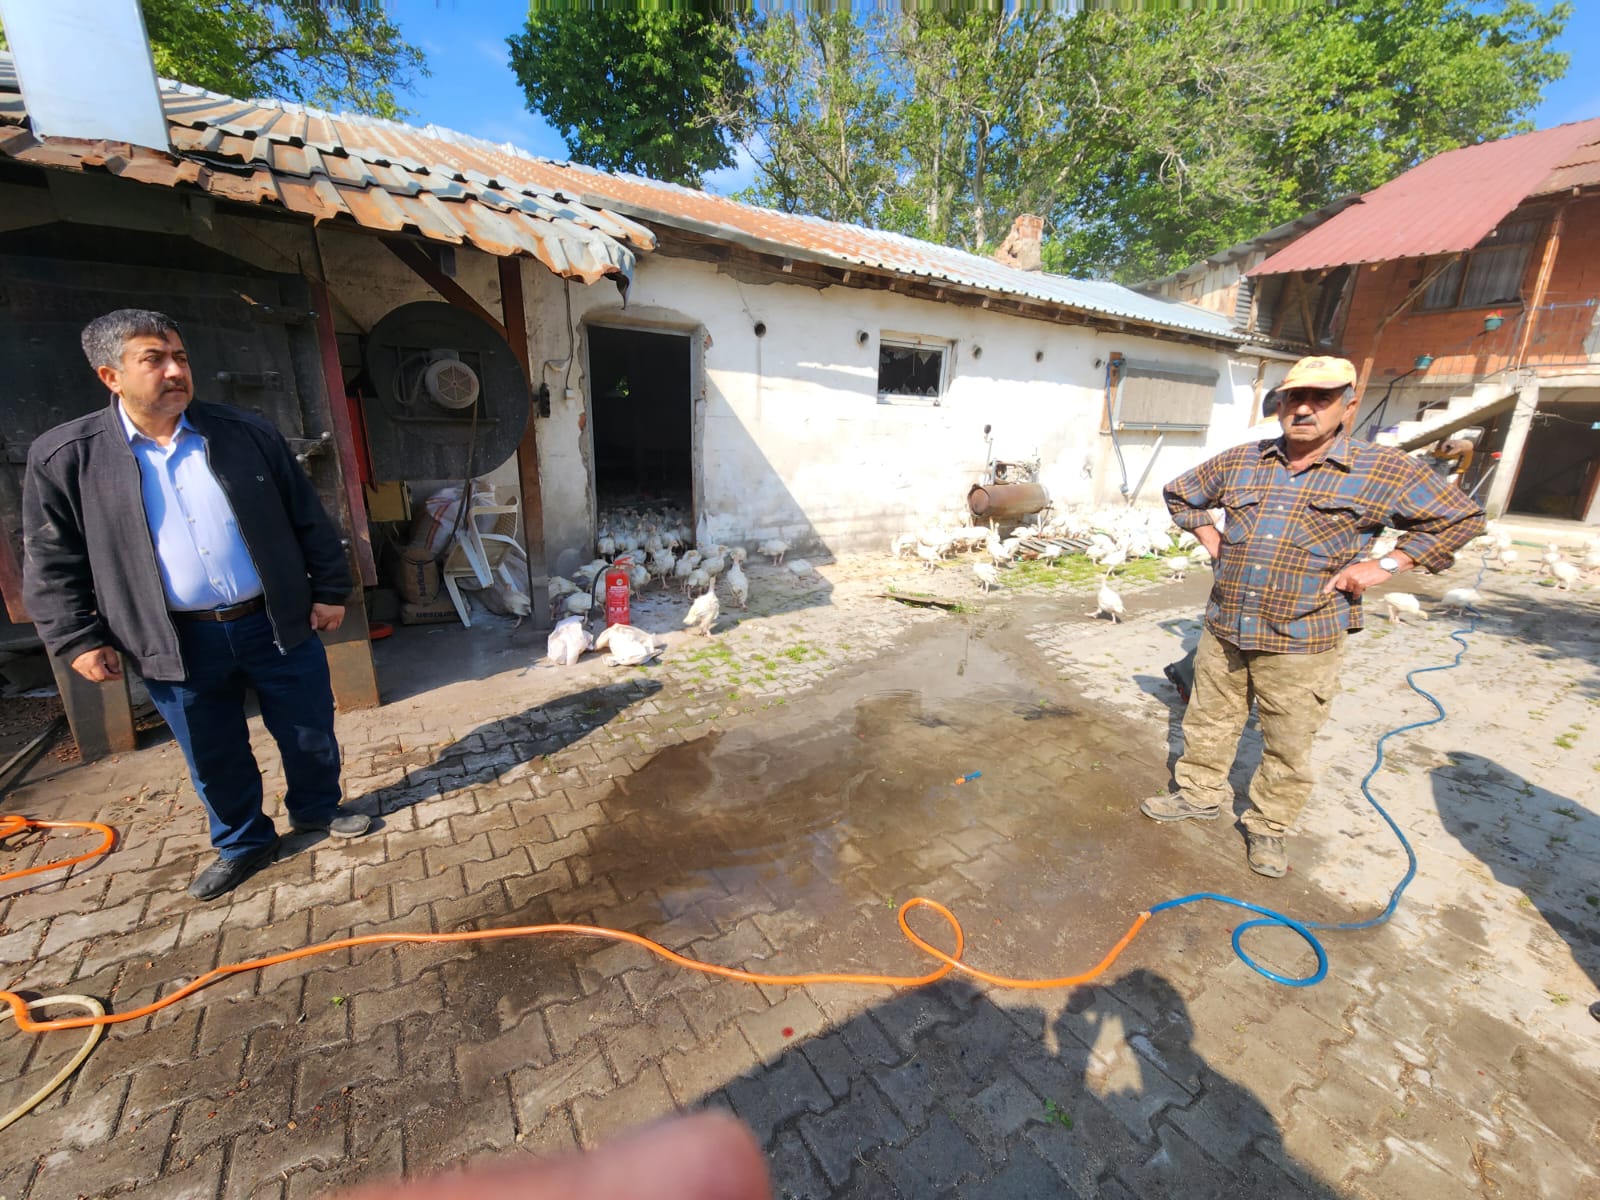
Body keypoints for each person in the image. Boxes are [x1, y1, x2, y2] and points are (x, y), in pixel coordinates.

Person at [22, 309, 371, 901]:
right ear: (111, 376)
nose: (174, 370)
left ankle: (317, 809)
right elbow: (51, 559)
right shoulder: (68, 457)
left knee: (310, 728)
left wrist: (331, 590)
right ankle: (243, 842)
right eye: (153, 360)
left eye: (179, 357)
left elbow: (307, 515)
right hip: (174, 637)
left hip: (273, 621)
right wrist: (76, 639)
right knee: (212, 750)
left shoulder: (244, 434)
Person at [1144, 355, 1486, 877]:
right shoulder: (1244, 460)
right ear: (1280, 403)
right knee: (1209, 719)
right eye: (1293, 398)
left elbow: (1458, 518)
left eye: (1320, 398)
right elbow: (1180, 494)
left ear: (1349, 403)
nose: (1304, 409)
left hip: (1305, 635)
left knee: (1287, 740)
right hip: (1226, 625)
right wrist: (1212, 540)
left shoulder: (1383, 469)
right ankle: (1199, 793)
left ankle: (1267, 826)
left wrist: (1388, 564)